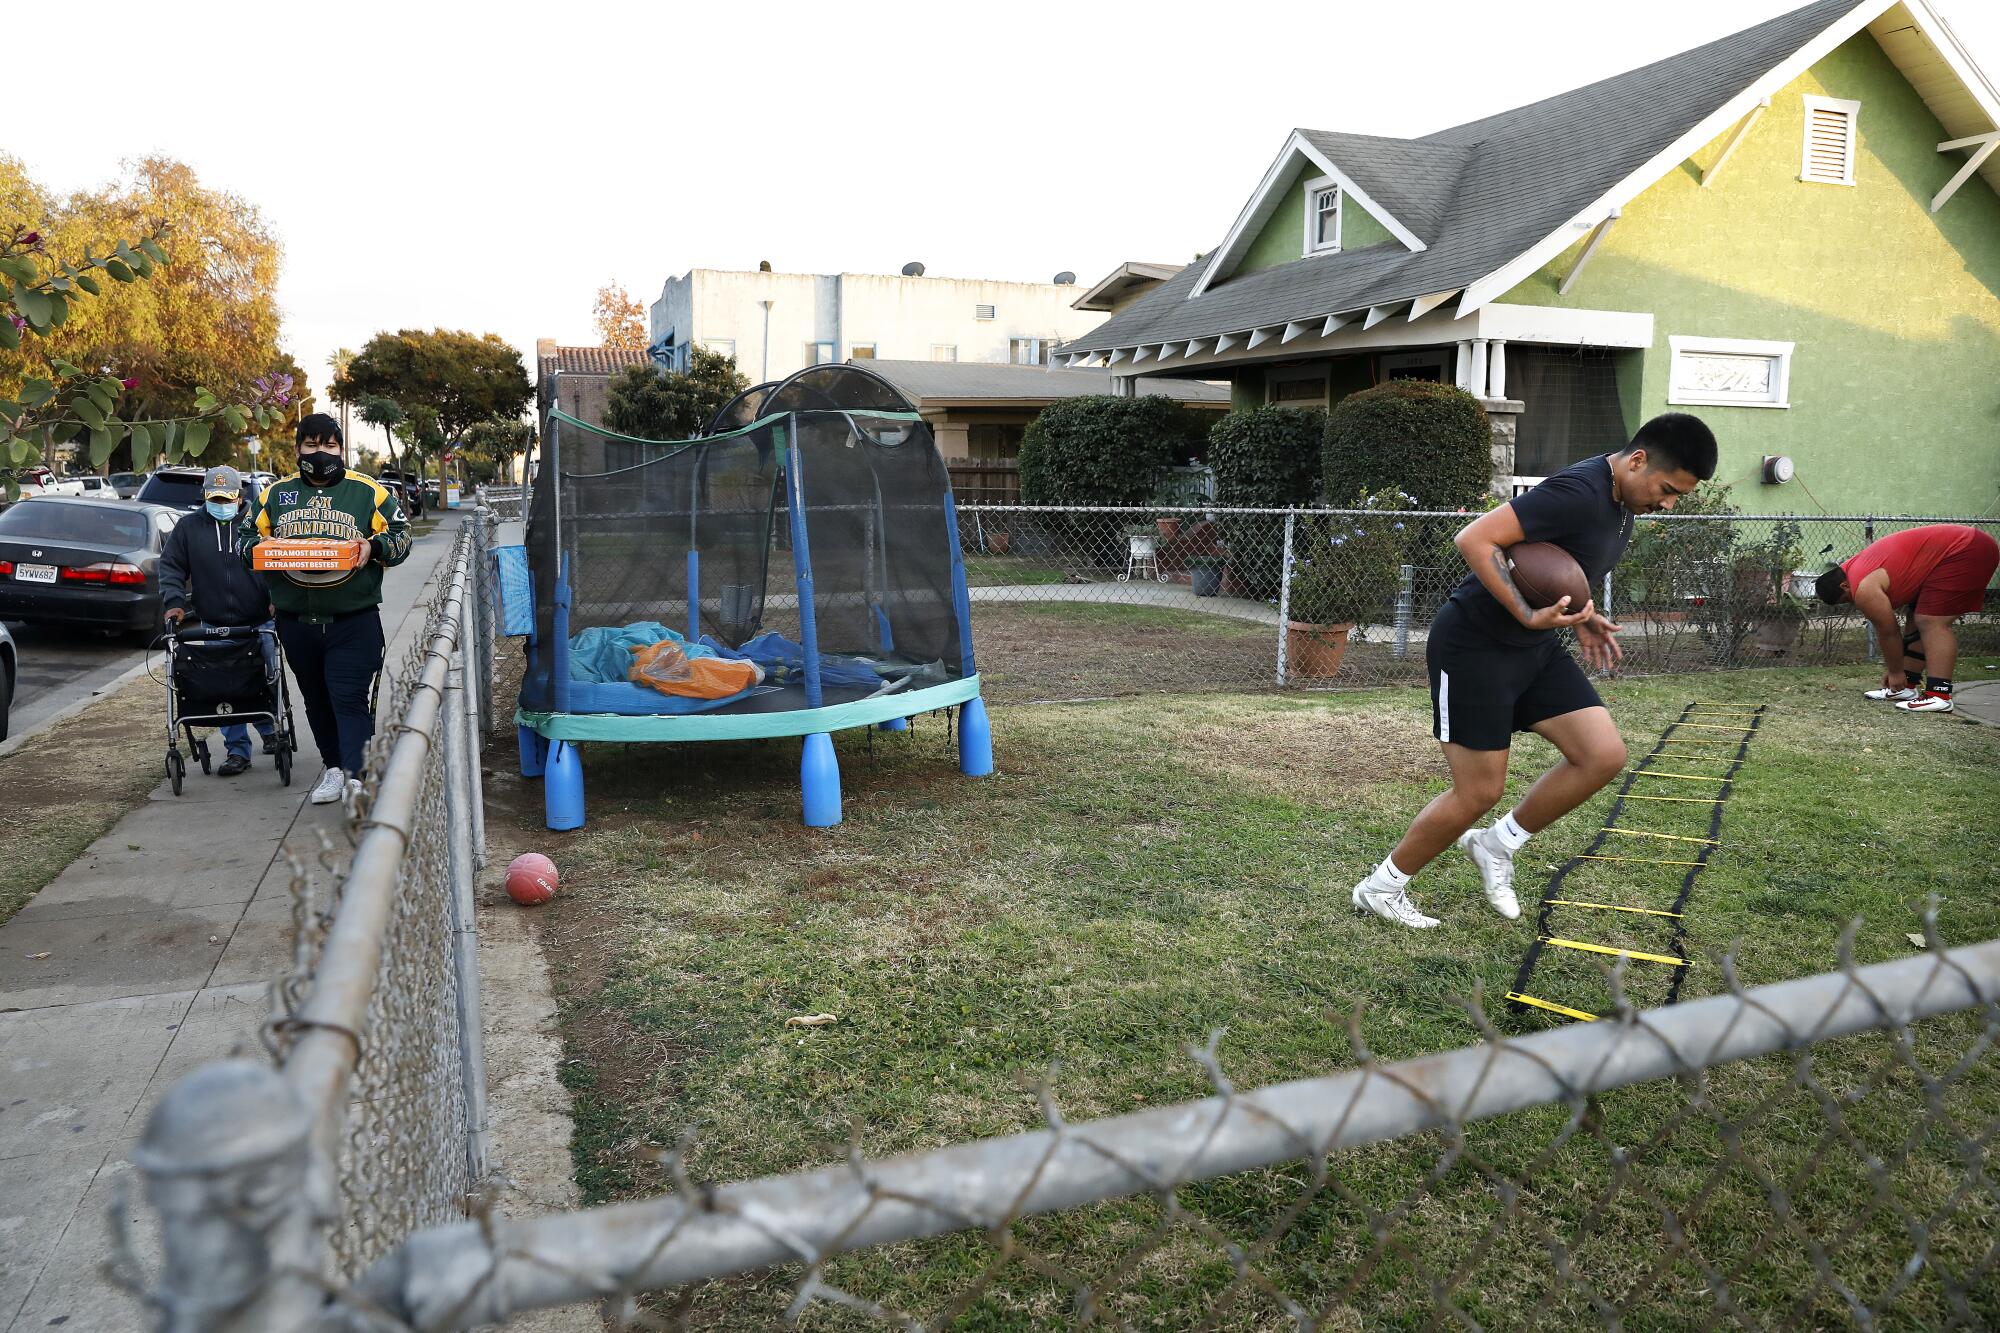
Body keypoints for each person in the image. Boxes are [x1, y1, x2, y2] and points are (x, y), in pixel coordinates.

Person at [1350, 414, 1718, 929]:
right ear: (1637, 460)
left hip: (1534, 646)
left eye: (1677, 495)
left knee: (1601, 754)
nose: (1668, 504)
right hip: (1475, 646)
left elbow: (1552, 566)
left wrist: (1584, 617)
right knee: (1479, 790)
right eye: (1667, 489)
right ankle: (1381, 888)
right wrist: (1524, 613)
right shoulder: (1577, 491)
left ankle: (1496, 844)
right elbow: (1474, 539)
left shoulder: (1622, 499)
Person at [241, 414, 412, 804]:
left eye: (330, 446)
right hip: (296, 621)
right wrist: (262, 552)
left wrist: (374, 548)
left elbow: (401, 537)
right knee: (315, 697)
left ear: (341, 449)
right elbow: (245, 538)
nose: (321, 454)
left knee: (347, 695)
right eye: (312, 445)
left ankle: (356, 775)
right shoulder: (274, 495)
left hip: (353, 619)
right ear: (298, 448)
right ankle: (333, 767)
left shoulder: (368, 493)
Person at [158, 465, 277, 777]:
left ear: (240, 497)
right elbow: (170, 567)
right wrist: (173, 603)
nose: (221, 504)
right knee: (226, 684)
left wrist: (278, 597)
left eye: (227, 498)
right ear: (205, 496)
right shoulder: (188, 528)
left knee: (265, 678)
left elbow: (278, 562)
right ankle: (237, 751)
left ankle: (271, 730)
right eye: (215, 497)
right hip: (214, 621)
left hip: (260, 619)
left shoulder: (259, 525)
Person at [1814, 524, 1999, 715]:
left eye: (1847, 600)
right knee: (1916, 616)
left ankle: (1939, 695)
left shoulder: (1862, 587)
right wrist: (1899, 673)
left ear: (1844, 586)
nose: (1854, 603)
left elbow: (1889, 633)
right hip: (1962, 547)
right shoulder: (1850, 569)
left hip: (1966, 548)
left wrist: (1895, 672)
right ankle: (1906, 686)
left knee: (1931, 621)